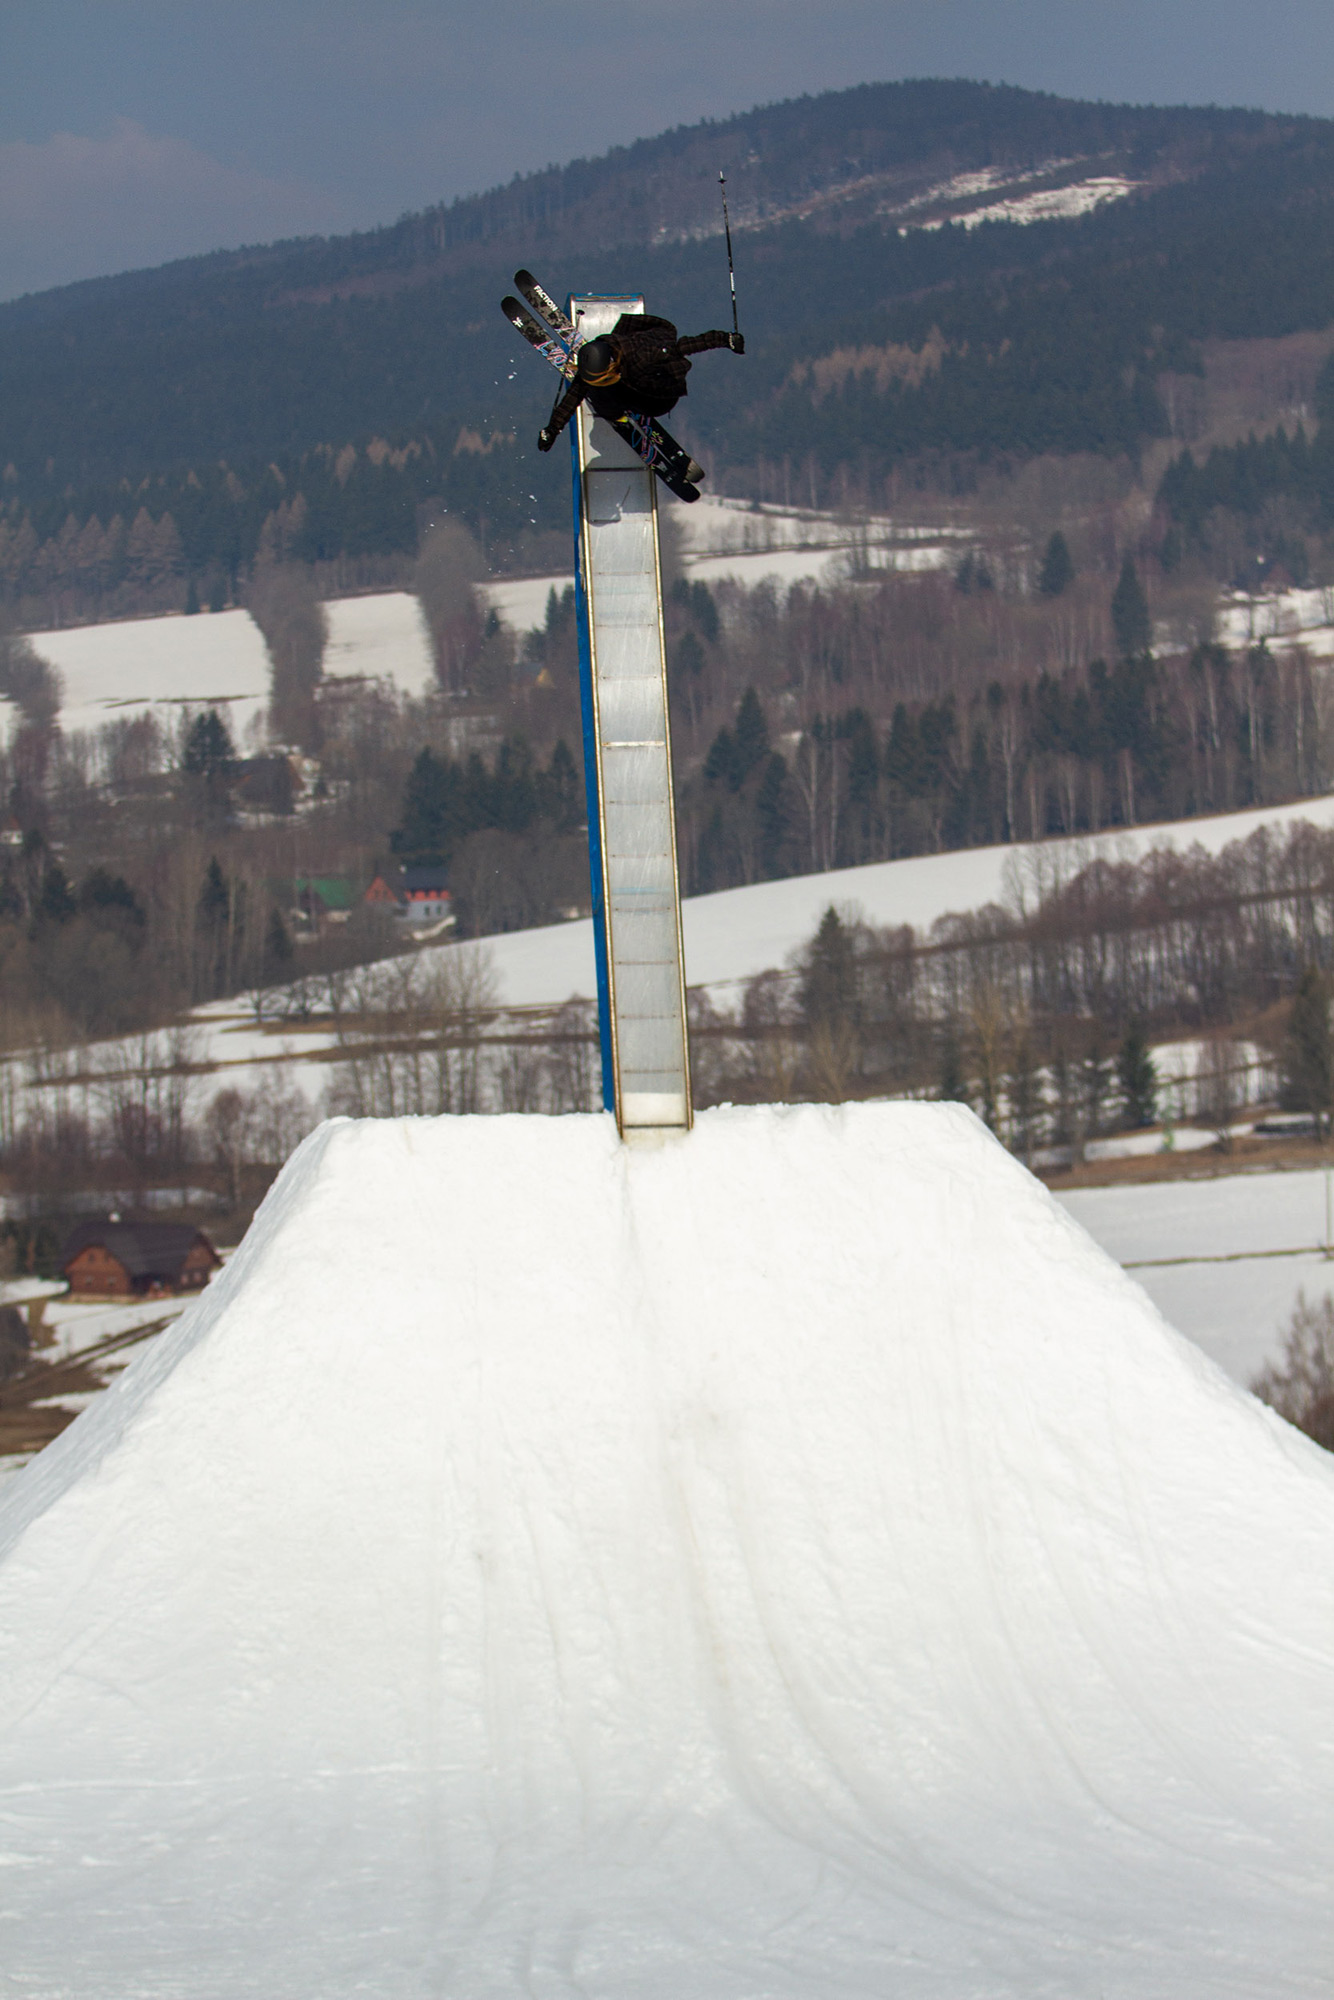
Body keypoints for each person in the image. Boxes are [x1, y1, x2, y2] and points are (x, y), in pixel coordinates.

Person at [537, 314, 743, 458]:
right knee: (593, 389)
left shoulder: (644, 356)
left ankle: (618, 414)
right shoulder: (605, 359)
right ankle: (617, 410)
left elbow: (685, 345)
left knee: (601, 394)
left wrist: (726, 339)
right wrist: (553, 429)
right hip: (634, 385)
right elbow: (575, 393)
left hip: (659, 398)